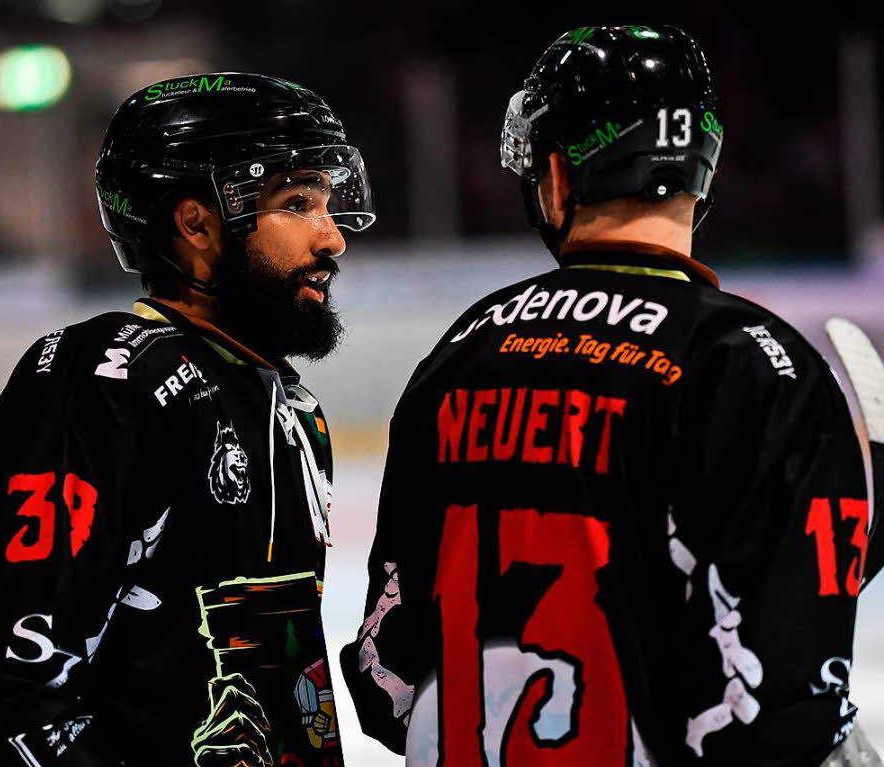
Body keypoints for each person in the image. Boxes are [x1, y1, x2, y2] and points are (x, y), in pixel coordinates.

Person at [340, 25, 882, 767]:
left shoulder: (459, 353)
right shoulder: (754, 364)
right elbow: (778, 714)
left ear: (559, 177)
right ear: (705, 172)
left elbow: (388, 684)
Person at [0, 72, 374, 767]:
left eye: (326, 202)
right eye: (296, 203)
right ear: (196, 223)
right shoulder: (114, 380)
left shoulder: (286, 409)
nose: (331, 237)